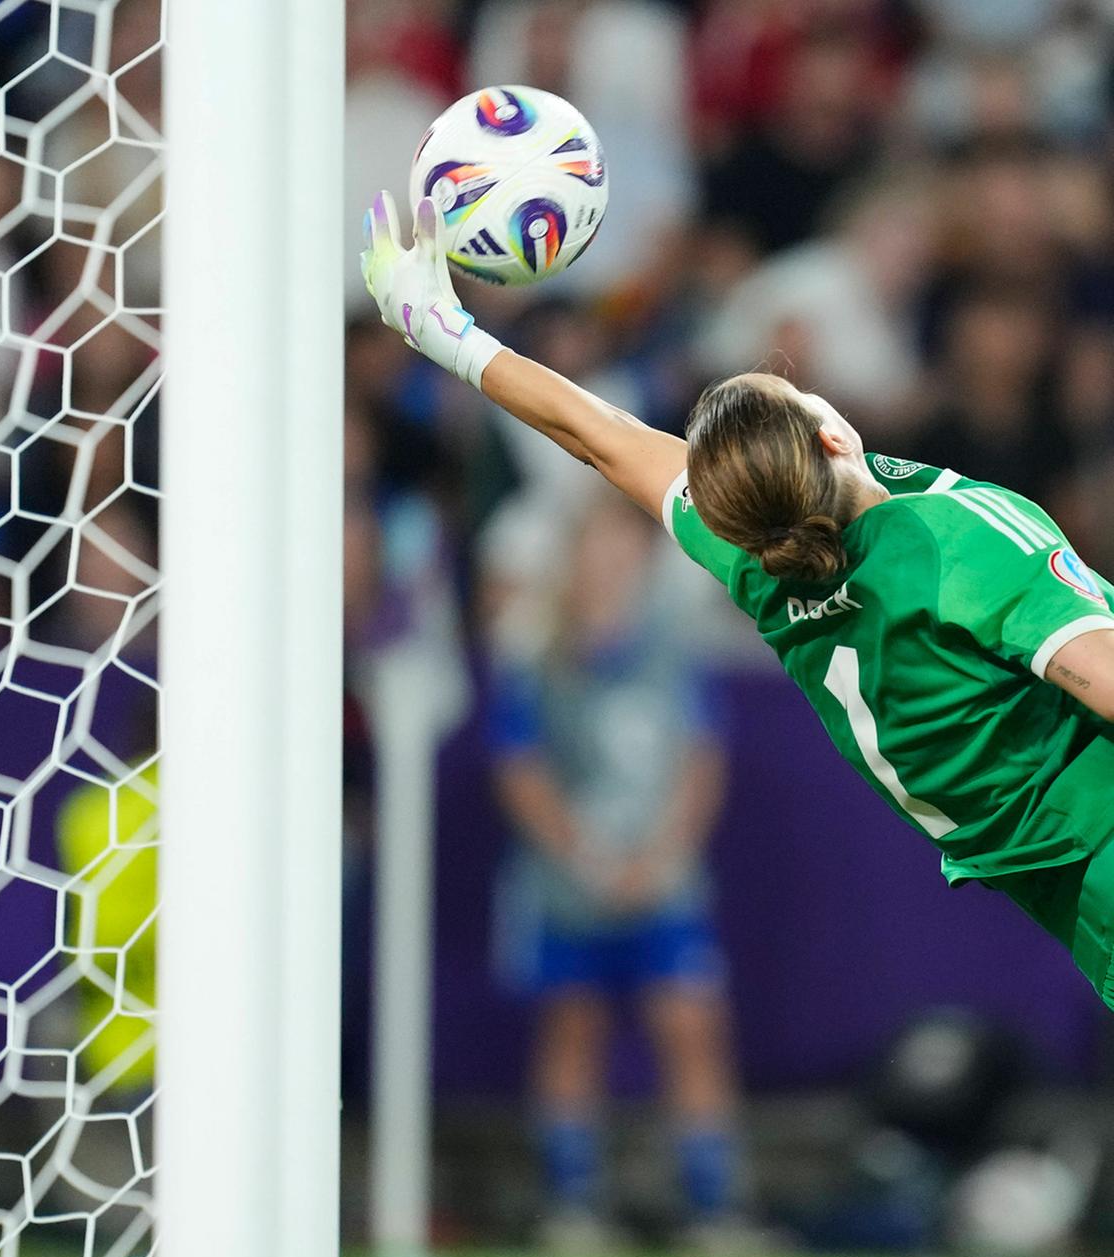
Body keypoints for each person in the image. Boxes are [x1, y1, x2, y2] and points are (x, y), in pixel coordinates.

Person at [360, 192, 1114, 1012]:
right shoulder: (959, 545)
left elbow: (599, 437)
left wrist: (443, 334)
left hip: (1059, 883)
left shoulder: (752, 557)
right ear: (830, 433)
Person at [482, 489, 749, 1254]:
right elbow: (519, 767)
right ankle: (574, 1207)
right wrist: (583, 853)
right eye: (596, 543)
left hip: (666, 881)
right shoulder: (535, 650)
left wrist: (663, 855)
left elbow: (702, 759)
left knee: (689, 1024)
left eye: (624, 545)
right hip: (569, 883)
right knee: (574, 1025)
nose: (610, 560)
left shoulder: (672, 646)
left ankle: (715, 1209)